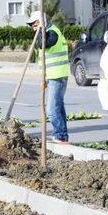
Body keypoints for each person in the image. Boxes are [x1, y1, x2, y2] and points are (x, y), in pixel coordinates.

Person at [27, 10, 70, 143]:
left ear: (41, 22)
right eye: (32, 25)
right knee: (59, 107)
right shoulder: (48, 31)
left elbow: (43, 44)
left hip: (57, 76)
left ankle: (60, 135)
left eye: (34, 24)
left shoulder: (52, 33)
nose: (33, 28)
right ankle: (62, 134)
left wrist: (41, 29)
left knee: (52, 109)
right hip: (53, 76)